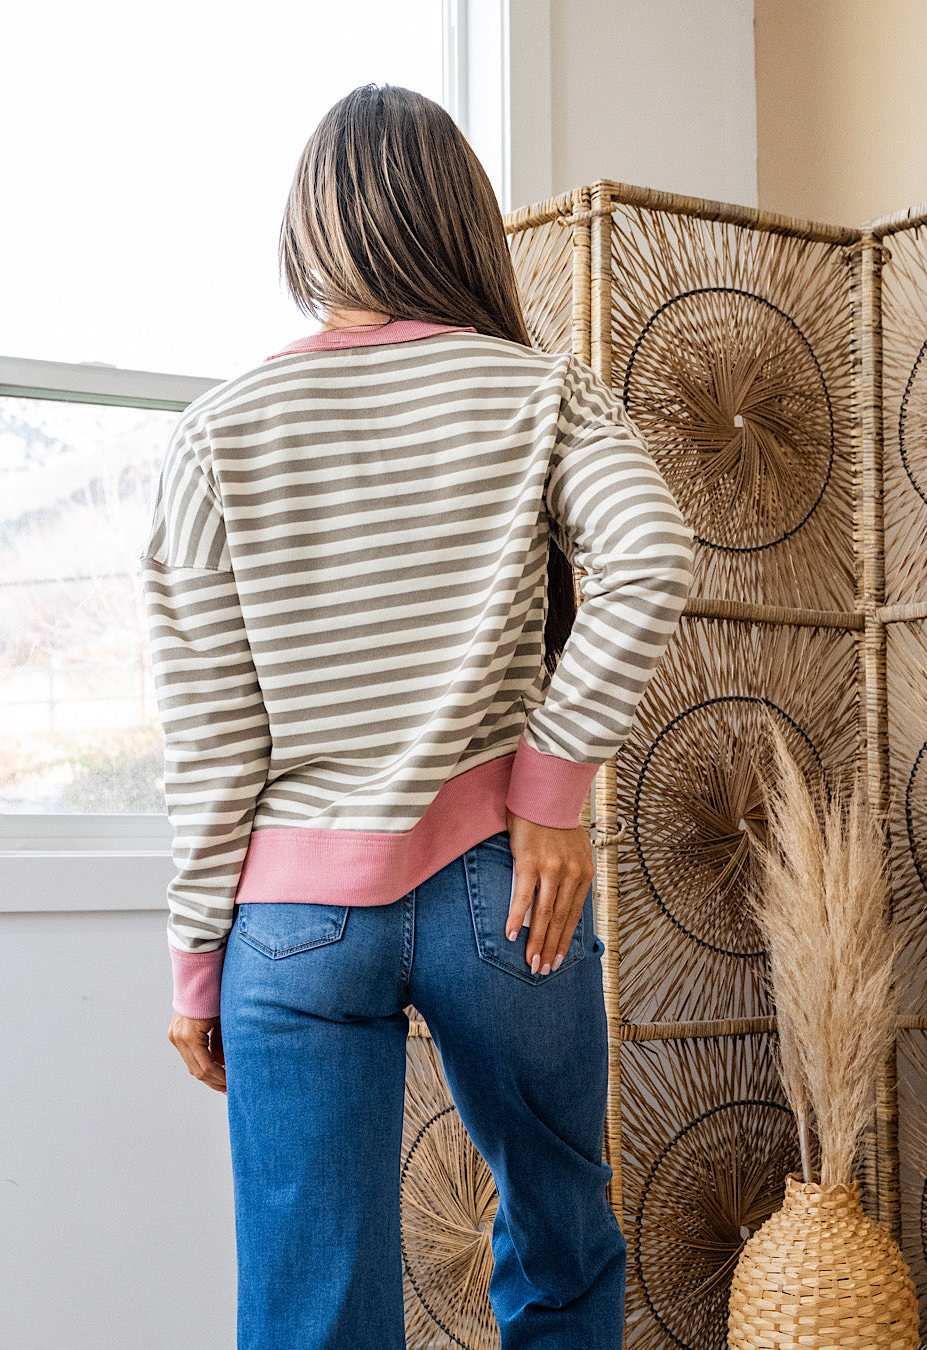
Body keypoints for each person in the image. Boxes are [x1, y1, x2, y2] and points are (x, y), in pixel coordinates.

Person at [139, 82, 694, 1350]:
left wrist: (194, 963)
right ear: (460, 222)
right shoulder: (542, 392)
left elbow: (212, 743)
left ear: (309, 229)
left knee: (311, 1308)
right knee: (560, 1243)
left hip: (293, 925)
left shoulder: (217, 433)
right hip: (508, 891)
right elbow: (652, 555)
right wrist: (549, 791)